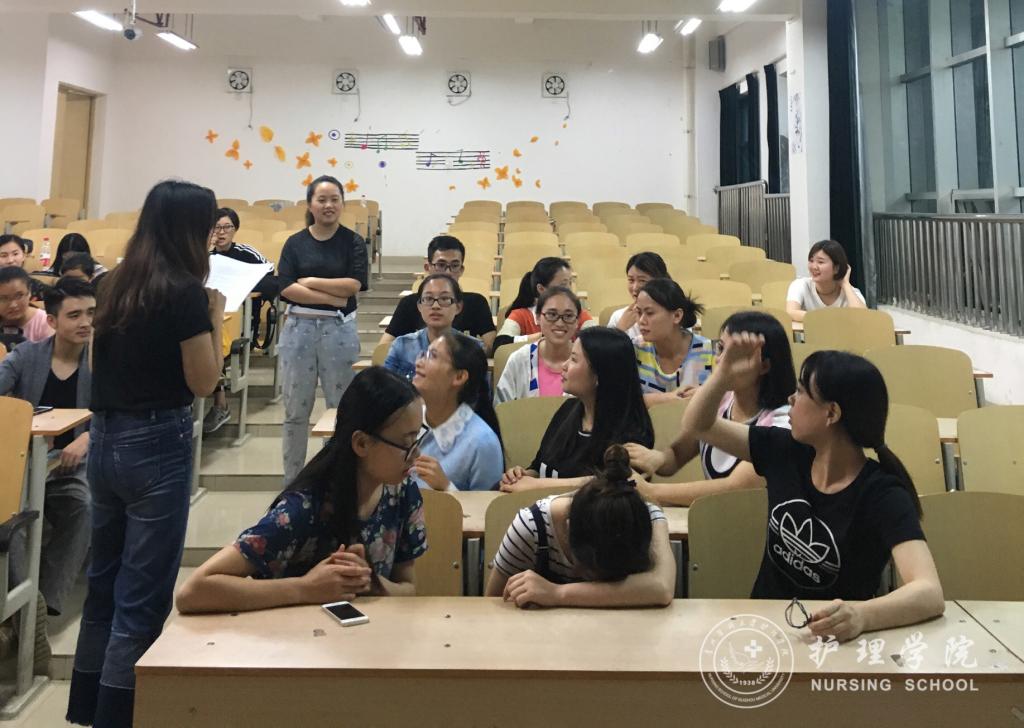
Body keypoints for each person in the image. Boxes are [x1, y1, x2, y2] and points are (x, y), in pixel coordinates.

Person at [67, 180, 225, 727]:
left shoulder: (111, 283)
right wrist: (215, 318)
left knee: (103, 588)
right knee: (141, 597)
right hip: (157, 443)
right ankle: (119, 717)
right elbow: (204, 382)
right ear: (189, 230)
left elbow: (93, 367)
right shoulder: (184, 293)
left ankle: (87, 708)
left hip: (106, 439)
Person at [681, 337, 945, 642]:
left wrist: (861, 615)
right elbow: (698, 425)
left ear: (831, 413)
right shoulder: (784, 451)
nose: (791, 399)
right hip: (766, 632)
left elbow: (929, 591)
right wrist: (723, 375)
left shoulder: (882, 493)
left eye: (802, 392)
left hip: (838, 644)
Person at [175, 367, 428, 614]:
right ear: (362, 443)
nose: (415, 454)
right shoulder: (301, 509)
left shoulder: (403, 493)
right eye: (406, 443)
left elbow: (409, 588)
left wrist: (370, 582)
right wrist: (306, 588)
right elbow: (192, 592)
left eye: (417, 439)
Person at [626, 311, 795, 506]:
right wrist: (659, 459)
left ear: (764, 366)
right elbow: (677, 455)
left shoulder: (783, 423)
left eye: (735, 356)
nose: (721, 361)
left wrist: (650, 491)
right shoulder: (721, 400)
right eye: (721, 349)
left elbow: (734, 488)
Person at [0, 277, 95, 617]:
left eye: (91, 313)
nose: (85, 322)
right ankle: (25, 606)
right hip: (28, 461)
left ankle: (46, 601)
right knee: (11, 513)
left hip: (78, 464)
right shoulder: (27, 355)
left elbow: (118, 409)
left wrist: (87, 439)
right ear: (52, 321)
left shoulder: (102, 359)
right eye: (74, 315)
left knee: (83, 506)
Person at [486, 445, 675, 608]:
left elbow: (662, 587)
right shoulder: (531, 526)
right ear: (569, 528)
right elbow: (492, 605)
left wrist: (557, 593)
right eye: (590, 572)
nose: (597, 582)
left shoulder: (644, 517)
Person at [278, 175, 367, 485]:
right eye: (322, 199)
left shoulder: (353, 241)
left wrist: (312, 282)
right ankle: (292, 483)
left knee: (340, 412)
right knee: (295, 412)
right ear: (310, 204)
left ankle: (335, 481)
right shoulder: (295, 243)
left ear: (342, 203)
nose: (328, 205)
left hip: (338, 331)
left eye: (334, 199)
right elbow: (286, 288)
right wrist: (333, 298)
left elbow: (353, 285)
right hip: (298, 331)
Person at [501, 327, 653, 491]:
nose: (564, 366)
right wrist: (522, 476)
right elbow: (539, 467)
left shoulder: (632, 432)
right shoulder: (569, 409)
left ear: (598, 375)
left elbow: (613, 482)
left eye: (573, 360)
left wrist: (538, 485)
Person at [202, 207, 277, 434]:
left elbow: (270, 277)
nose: (221, 232)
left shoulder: (247, 253)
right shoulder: (206, 257)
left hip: (241, 320)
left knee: (212, 342)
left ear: (235, 230)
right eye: (217, 227)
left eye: (227, 227)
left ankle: (220, 404)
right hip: (212, 319)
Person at [411, 332, 504, 491]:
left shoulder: (482, 442)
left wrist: (446, 488)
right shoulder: (406, 421)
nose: (419, 362)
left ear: (459, 377)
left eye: (432, 356)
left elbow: (487, 506)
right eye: (423, 354)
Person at [379, 235, 496, 351]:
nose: (448, 272)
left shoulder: (476, 303)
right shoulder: (409, 303)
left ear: (461, 270)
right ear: (428, 267)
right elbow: (384, 347)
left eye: (455, 266)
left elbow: (490, 347)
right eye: (441, 265)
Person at [632, 278, 714, 407]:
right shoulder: (634, 349)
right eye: (638, 312)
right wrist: (666, 398)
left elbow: (726, 399)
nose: (641, 320)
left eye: (649, 313)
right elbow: (623, 402)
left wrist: (707, 395)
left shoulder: (709, 351)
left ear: (677, 316)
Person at [494, 286, 579, 403]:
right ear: (538, 317)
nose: (560, 323)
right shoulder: (519, 360)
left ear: (577, 321)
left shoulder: (586, 363)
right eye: (552, 314)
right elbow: (501, 410)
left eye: (568, 316)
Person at [493, 257, 595, 352]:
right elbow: (499, 345)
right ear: (541, 289)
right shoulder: (520, 315)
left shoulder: (579, 315)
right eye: (563, 285)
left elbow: (599, 341)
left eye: (570, 283)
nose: (569, 290)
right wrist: (539, 337)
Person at [383, 274, 464, 380]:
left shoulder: (471, 348)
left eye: (444, 299)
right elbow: (385, 387)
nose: (435, 306)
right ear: (419, 306)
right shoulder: (402, 345)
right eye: (428, 299)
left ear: (458, 307)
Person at [786, 239, 866, 322]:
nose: (814, 267)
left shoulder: (850, 292)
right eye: (811, 261)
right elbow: (791, 312)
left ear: (836, 268)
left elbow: (864, 318)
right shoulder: (801, 284)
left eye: (820, 262)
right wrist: (828, 320)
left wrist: (845, 284)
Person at [607, 252, 670, 340]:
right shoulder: (618, 317)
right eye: (631, 280)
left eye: (642, 280)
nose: (635, 287)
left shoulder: (671, 315)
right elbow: (607, 348)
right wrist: (620, 329)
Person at [0, 266, 53, 347]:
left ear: (29, 292)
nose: (13, 305)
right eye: (4, 298)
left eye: (19, 296)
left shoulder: (45, 322)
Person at [0, 234, 50, 300]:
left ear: (23, 255)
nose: (10, 260)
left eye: (15, 254)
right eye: (3, 255)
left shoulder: (35, 286)